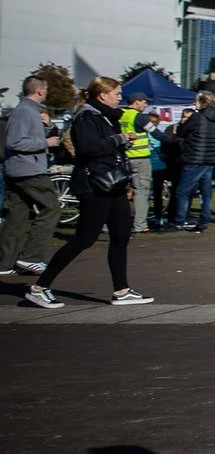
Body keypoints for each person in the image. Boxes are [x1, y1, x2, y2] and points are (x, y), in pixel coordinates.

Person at [25, 78, 149, 308]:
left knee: (121, 235)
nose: (120, 97)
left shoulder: (109, 117)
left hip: (115, 183)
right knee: (85, 238)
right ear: (102, 95)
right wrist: (118, 139)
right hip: (95, 185)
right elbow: (89, 149)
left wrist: (123, 154)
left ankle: (121, 290)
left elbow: (111, 150)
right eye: (117, 93)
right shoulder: (87, 117)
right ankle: (40, 287)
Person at [2, 75, 66, 289]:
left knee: (17, 215)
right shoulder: (25, 111)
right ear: (40, 91)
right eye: (46, 89)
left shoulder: (28, 111)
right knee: (52, 207)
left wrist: (46, 128)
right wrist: (45, 141)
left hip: (20, 169)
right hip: (29, 170)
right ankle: (32, 256)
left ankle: (5, 262)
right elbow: (15, 141)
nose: (46, 92)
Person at [169, 93, 215, 232]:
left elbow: (181, 132)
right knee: (206, 193)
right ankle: (204, 220)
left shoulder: (197, 117)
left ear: (202, 102)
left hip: (194, 158)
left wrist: (182, 124)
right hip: (210, 158)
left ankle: (180, 220)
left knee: (182, 191)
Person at [118, 93, 155, 232]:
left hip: (124, 157)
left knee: (120, 192)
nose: (146, 105)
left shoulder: (120, 114)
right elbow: (156, 133)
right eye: (144, 102)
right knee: (141, 191)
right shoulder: (139, 117)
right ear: (136, 102)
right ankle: (140, 224)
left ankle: (113, 222)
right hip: (140, 158)